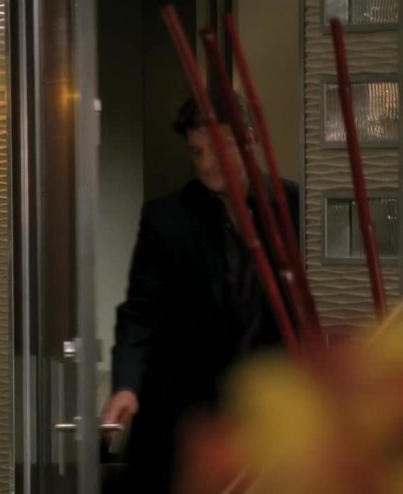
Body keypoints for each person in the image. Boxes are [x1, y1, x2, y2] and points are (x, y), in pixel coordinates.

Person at [101, 92, 300, 493]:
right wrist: (126, 385)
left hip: (271, 408)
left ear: (248, 139)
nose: (207, 165)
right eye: (197, 153)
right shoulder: (167, 217)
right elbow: (141, 312)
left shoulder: (293, 206)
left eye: (218, 150)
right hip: (188, 411)